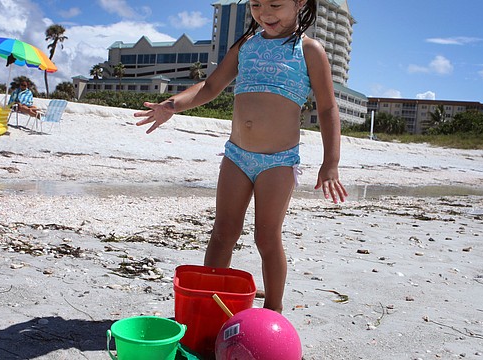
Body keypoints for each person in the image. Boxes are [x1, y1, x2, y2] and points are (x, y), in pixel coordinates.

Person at [134, 0, 347, 313]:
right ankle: (209, 304)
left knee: (267, 238)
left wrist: (331, 164)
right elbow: (210, 86)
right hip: (236, 156)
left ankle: (273, 312)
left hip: (278, 161)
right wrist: (172, 105)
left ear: (300, 2)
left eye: (275, 3)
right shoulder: (246, 45)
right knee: (223, 232)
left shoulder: (309, 50)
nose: (264, 12)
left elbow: (328, 108)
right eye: (257, 4)